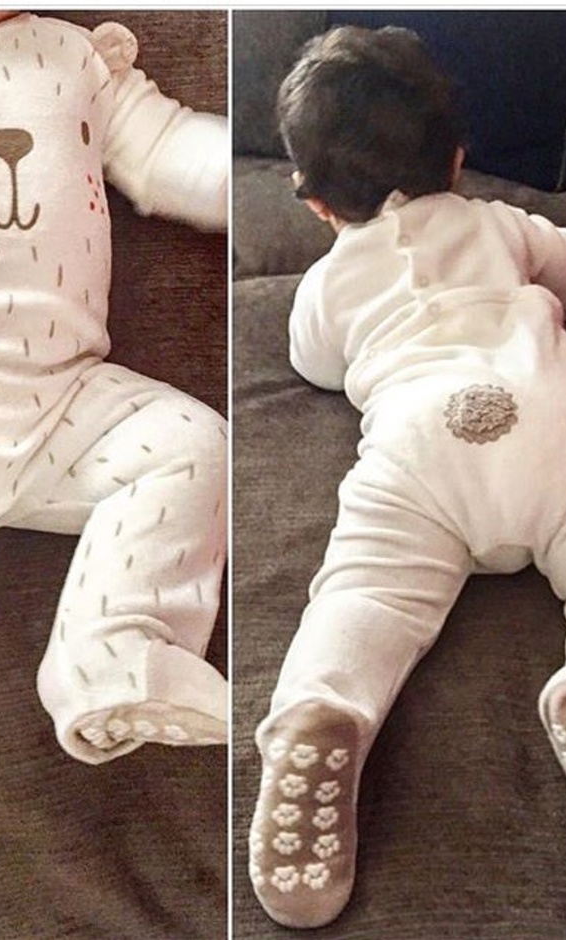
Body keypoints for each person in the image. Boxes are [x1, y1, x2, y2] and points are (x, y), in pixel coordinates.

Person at [0, 9, 227, 890]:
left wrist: (290, 170)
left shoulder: (73, 55)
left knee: (191, 443)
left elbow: (168, 152)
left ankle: (112, 655)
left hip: (62, 400)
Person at [248, 24, 566, 929]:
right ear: (458, 159)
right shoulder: (497, 224)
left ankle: (322, 711)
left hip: (418, 445)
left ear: (311, 201)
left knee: (365, 594)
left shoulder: (327, 285)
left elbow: (313, 364)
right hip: (543, 412)